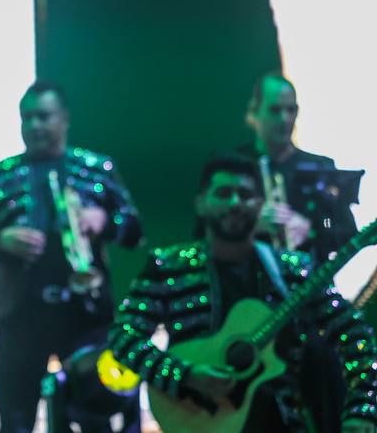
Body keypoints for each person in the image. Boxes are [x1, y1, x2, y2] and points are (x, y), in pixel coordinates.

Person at [109, 154, 377, 433]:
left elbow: (355, 335)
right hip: (197, 419)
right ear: (200, 203)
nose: (235, 203)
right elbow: (123, 337)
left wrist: (362, 410)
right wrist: (186, 375)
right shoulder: (168, 267)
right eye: (224, 193)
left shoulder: (292, 271)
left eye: (246, 195)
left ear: (260, 205)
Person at [0, 81, 142, 433]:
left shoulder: (96, 168)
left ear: (64, 119)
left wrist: (103, 220)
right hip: (21, 315)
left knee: (95, 416)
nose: (35, 126)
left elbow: (134, 229)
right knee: (16, 419)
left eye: (43, 116)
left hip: (87, 316)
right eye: (27, 118)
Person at [237, 72, 359, 260]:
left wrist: (311, 230)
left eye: (291, 110)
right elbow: (206, 236)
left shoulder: (321, 167)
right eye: (275, 110)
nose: (285, 119)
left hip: (312, 275)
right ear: (254, 112)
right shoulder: (234, 168)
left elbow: (348, 236)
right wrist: (248, 226)